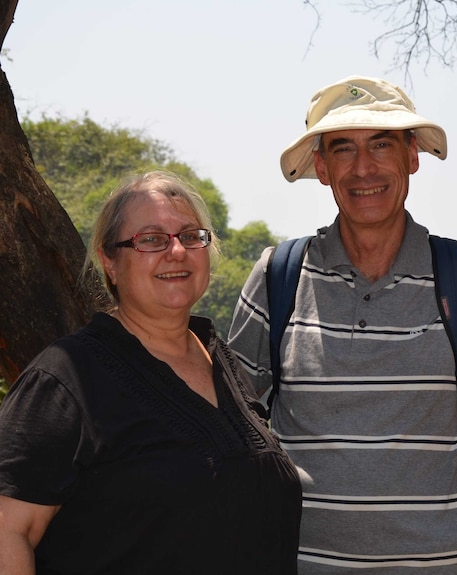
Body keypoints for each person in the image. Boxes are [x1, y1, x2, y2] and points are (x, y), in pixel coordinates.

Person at [228, 75, 457, 574]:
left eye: (382, 145)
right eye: (343, 149)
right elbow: (231, 439)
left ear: (412, 156)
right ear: (322, 168)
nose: (363, 168)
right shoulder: (277, 277)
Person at [0, 171, 302, 575]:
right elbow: (9, 531)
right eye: (151, 239)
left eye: (191, 236)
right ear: (109, 260)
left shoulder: (221, 360)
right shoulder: (65, 380)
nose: (176, 252)